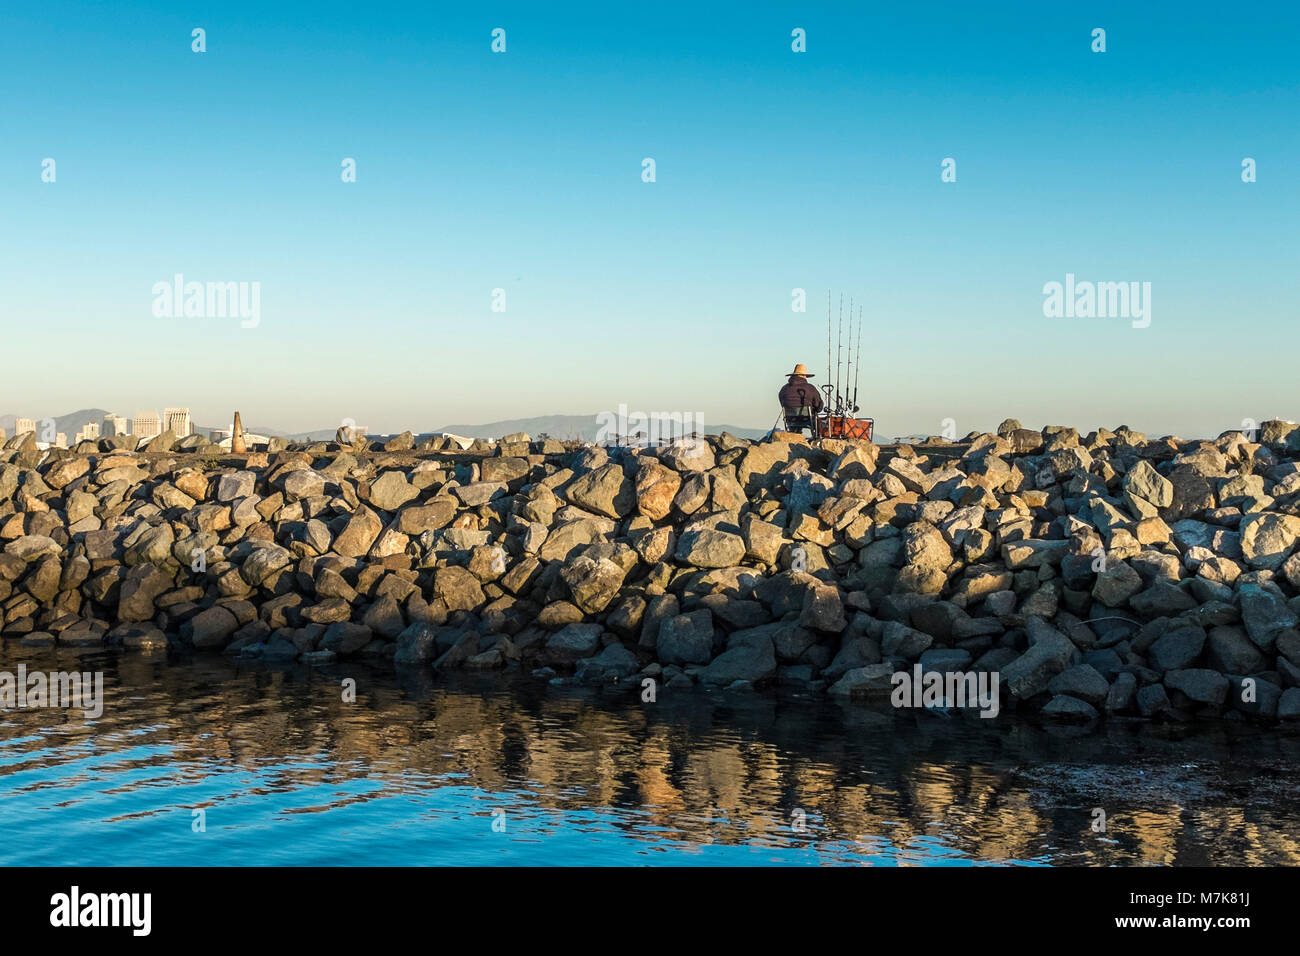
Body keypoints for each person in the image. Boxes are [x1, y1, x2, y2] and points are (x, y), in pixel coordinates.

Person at [778, 363, 823, 436]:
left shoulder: (784, 389)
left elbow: (782, 404)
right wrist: (815, 410)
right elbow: (819, 406)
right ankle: (816, 439)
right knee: (820, 423)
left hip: (790, 420)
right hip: (807, 420)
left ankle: (795, 435)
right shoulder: (810, 388)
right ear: (804, 376)